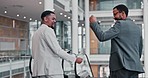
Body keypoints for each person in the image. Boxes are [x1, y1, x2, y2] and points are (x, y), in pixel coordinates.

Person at [89, 4, 144, 78]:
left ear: (123, 13)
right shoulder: (137, 28)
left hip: (122, 67)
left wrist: (94, 23)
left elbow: (102, 37)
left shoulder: (120, 24)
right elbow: (140, 49)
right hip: (134, 68)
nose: (114, 17)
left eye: (115, 14)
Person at [32, 10, 83, 78]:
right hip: (51, 70)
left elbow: (33, 54)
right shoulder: (47, 30)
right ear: (45, 19)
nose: (55, 21)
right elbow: (57, 50)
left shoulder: (36, 33)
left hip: (38, 71)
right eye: (53, 19)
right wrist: (74, 59)